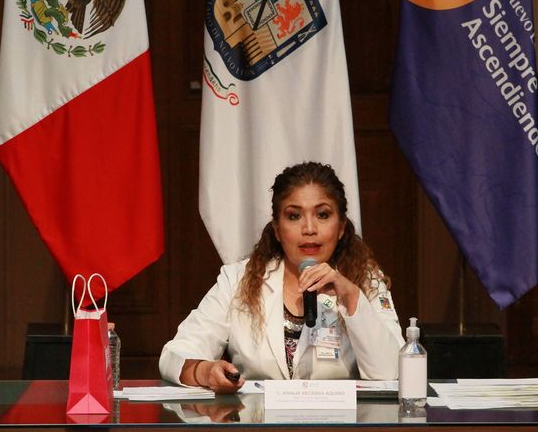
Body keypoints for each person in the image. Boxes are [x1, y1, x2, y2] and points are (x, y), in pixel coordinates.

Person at [159, 162, 404, 393]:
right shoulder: (238, 279)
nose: (309, 229)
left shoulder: (365, 280)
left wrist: (351, 297)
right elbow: (175, 355)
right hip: (256, 417)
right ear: (277, 229)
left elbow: (391, 372)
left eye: (322, 215)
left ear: (341, 227)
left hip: (339, 419)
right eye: (294, 216)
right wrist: (205, 371)